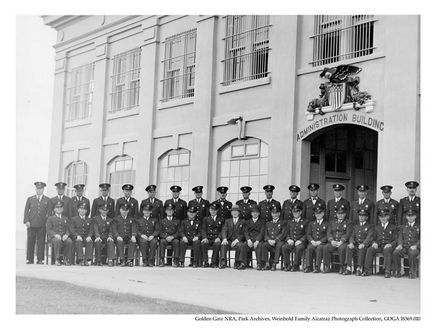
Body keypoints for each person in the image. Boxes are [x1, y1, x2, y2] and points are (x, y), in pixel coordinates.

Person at [363, 208, 397, 278]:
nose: (383, 218)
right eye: (381, 217)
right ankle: (367, 270)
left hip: (388, 246)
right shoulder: (376, 227)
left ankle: (387, 271)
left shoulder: (393, 227)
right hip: (379, 246)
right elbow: (373, 238)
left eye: (385, 216)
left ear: (388, 217)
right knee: (370, 249)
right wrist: (374, 243)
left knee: (387, 250)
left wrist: (390, 244)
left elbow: (396, 239)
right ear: (379, 218)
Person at [23, 181, 51, 264]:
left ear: (43, 189)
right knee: (31, 242)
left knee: (41, 242)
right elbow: (26, 211)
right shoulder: (30, 199)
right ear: (35, 189)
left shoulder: (47, 200)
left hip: (42, 225)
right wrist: (26, 221)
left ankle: (40, 259)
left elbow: (49, 213)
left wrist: (48, 224)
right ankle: (30, 259)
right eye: (38, 189)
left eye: (41, 189)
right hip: (31, 224)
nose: (39, 190)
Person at [343, 209, 374, 276]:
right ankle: (348, 268)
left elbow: (369, 237)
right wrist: (351, 242)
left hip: (364, 246)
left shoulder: (370, 226)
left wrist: (364, 244)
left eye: (363, 215)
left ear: (367, 217)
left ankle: (359, 268)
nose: (361, 217)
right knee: (349, 247)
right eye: (360, 215)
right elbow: (352, 236)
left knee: (361, 248)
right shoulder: (355, 226)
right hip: (356, 245)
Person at [323, 204, 352, 274]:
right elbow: (329, 233)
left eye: (342, 214)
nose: (340, 215)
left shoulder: (348, 222)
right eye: (339, 213)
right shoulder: (332, 222)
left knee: (342, 249)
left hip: (343, 242)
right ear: (336, 214)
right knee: (326, 247)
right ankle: (327, 266)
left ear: (345, 214)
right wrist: (331, 240)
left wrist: (341, 241)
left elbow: (347, 234)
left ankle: (342, 267)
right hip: (333, 242)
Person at [393, 208, 420, 279]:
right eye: (409, 216)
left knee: (412, 253)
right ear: (406, 217)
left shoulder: (420, 226)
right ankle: (397, 271)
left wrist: (416, 245)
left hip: (414, 248)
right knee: (396, 252)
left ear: (415, 217)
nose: (410, 217)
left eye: (412, 216)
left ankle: (412, 272)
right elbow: (400, 237)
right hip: (404, 247)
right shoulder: (403, 227)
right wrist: (400, 245)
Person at [281, 203, 308, 272]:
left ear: (300, 212)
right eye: (294, 212)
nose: (295, 213)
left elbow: (307, 234)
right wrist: (288, 239)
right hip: (291, 241)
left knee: (299, 248)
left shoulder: (305, 221)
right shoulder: (290, 221)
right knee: (284, 247)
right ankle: (287, 264)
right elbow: (286, 233)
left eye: (297, 212)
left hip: (300, 241)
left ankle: (296, 265)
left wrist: (301, 240)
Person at [46, 201, 73, 266]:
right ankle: (57, 259)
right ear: (54, 209)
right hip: (54, 238)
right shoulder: (50, 218)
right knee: (57, 241)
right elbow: (48, 230)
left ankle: (66, 259)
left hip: (63, 236)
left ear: (63, 209)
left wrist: (66, 235)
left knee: (69, 241)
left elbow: (68, 229)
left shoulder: (65, 218)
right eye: (57, 207)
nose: (59, 209)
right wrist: (55, 235)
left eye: (61, 207)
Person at [304, 203, 328, 273]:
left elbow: (327, 235)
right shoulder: (311, 223)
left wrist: (320, 242)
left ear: (323, 214)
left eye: (320, 213)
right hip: (313, 242)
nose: (318, 215)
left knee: (319, 248)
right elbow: (308, 234)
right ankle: (308, 267)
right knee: (309, 248)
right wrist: (312, 241)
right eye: (316, 214)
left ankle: (317, 267)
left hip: (321, 243)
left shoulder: (327, 223)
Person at [220, 205, 246, 269]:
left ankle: (237, 262)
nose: (235, 213)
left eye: (236, 211)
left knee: (240, 245)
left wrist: (237, 240)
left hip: (237, 240)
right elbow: (224, 230)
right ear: (231, 213)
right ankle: (223, 262)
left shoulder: (243, 221)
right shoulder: (227, 221)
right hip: (229, 239)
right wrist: (224, 238)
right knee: (223, 244)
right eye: (233, 211)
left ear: (239, 212)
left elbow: (243, 233)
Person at [69, 201, 93, 265]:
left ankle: (87, 260)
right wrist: (77, 236)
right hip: (77, 237)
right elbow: (72, 230)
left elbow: (91, 230)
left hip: (85, 237)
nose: (82, 211)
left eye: (84, 209)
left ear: (86, 211)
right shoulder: (73, 219)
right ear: (78, 210)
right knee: (79, 241)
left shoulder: (89, 220)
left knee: (90, 241)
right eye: (81, 209)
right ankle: (80, 260)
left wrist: (89, 236)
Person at [262, 206, 286, 271]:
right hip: (270, 241)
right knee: (264, 245)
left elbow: (283, 233)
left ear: (279, 214)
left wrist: (275, 240)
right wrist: (268, 240)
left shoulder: (283, 222)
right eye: (273, 213)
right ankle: (266, 263)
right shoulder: (268, 223)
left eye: (276, 213)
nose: (274, 215)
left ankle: (274, 264)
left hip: (279, 241)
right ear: (271, 214)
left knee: (279, 246)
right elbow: (266, 233)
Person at [201, 202, 225, 268]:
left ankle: (214, 262)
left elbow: (222, 230)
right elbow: (203, 229)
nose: (213, 211)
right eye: (212, 210)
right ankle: (205, 261)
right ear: (209, 210)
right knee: (203, 244)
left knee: (217, 244)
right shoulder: (205, 219)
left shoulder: (221, 219)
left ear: (217, 211)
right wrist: (204, 237)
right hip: (208, 237)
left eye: (215, 210)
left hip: (216, 237)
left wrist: (219, 238)